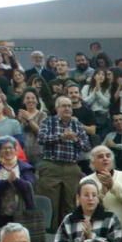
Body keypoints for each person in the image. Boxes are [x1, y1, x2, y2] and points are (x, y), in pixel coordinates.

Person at [36, 96, 91, 228]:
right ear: (57, 108)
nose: (67, 108)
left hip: (72, 167)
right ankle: (50, 237)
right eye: (64, 106)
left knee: (70, 205)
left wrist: (75, 139)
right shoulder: (48, 122)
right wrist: (61, 137)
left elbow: (87, 146)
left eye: (69, 106)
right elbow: (41, 139)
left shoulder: (77, 124)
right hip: (51, 166)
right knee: (51, 204)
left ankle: (68, 235)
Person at [55, 179, 122, 242]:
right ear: (78, 198)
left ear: (98, 198)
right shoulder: (69, 220)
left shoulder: (110, 218)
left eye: (94, 195)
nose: (90, 198)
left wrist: (92, 238)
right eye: (86, 195)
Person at [85, 145, 122, 242]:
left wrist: (113, 186)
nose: (105, 158)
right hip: (96, 234)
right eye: (100, 156)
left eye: (108, 156)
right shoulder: (86, 181)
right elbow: (84, 207)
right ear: (93, 162)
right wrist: (101, 195)